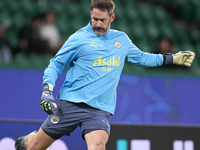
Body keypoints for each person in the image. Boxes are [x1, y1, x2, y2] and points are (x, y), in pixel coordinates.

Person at [15, 0, 195, 150]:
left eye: (102, 20)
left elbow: (142, 58)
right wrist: (47, 90)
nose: (98, 24)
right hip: (70, 104)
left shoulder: (121, 40)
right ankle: (28, 140)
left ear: (112, 17)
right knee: (34, 147)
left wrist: (172, 59)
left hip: (99, 110)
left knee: (97, 146)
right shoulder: (79, 38)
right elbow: (55, 64)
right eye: (94, 19)